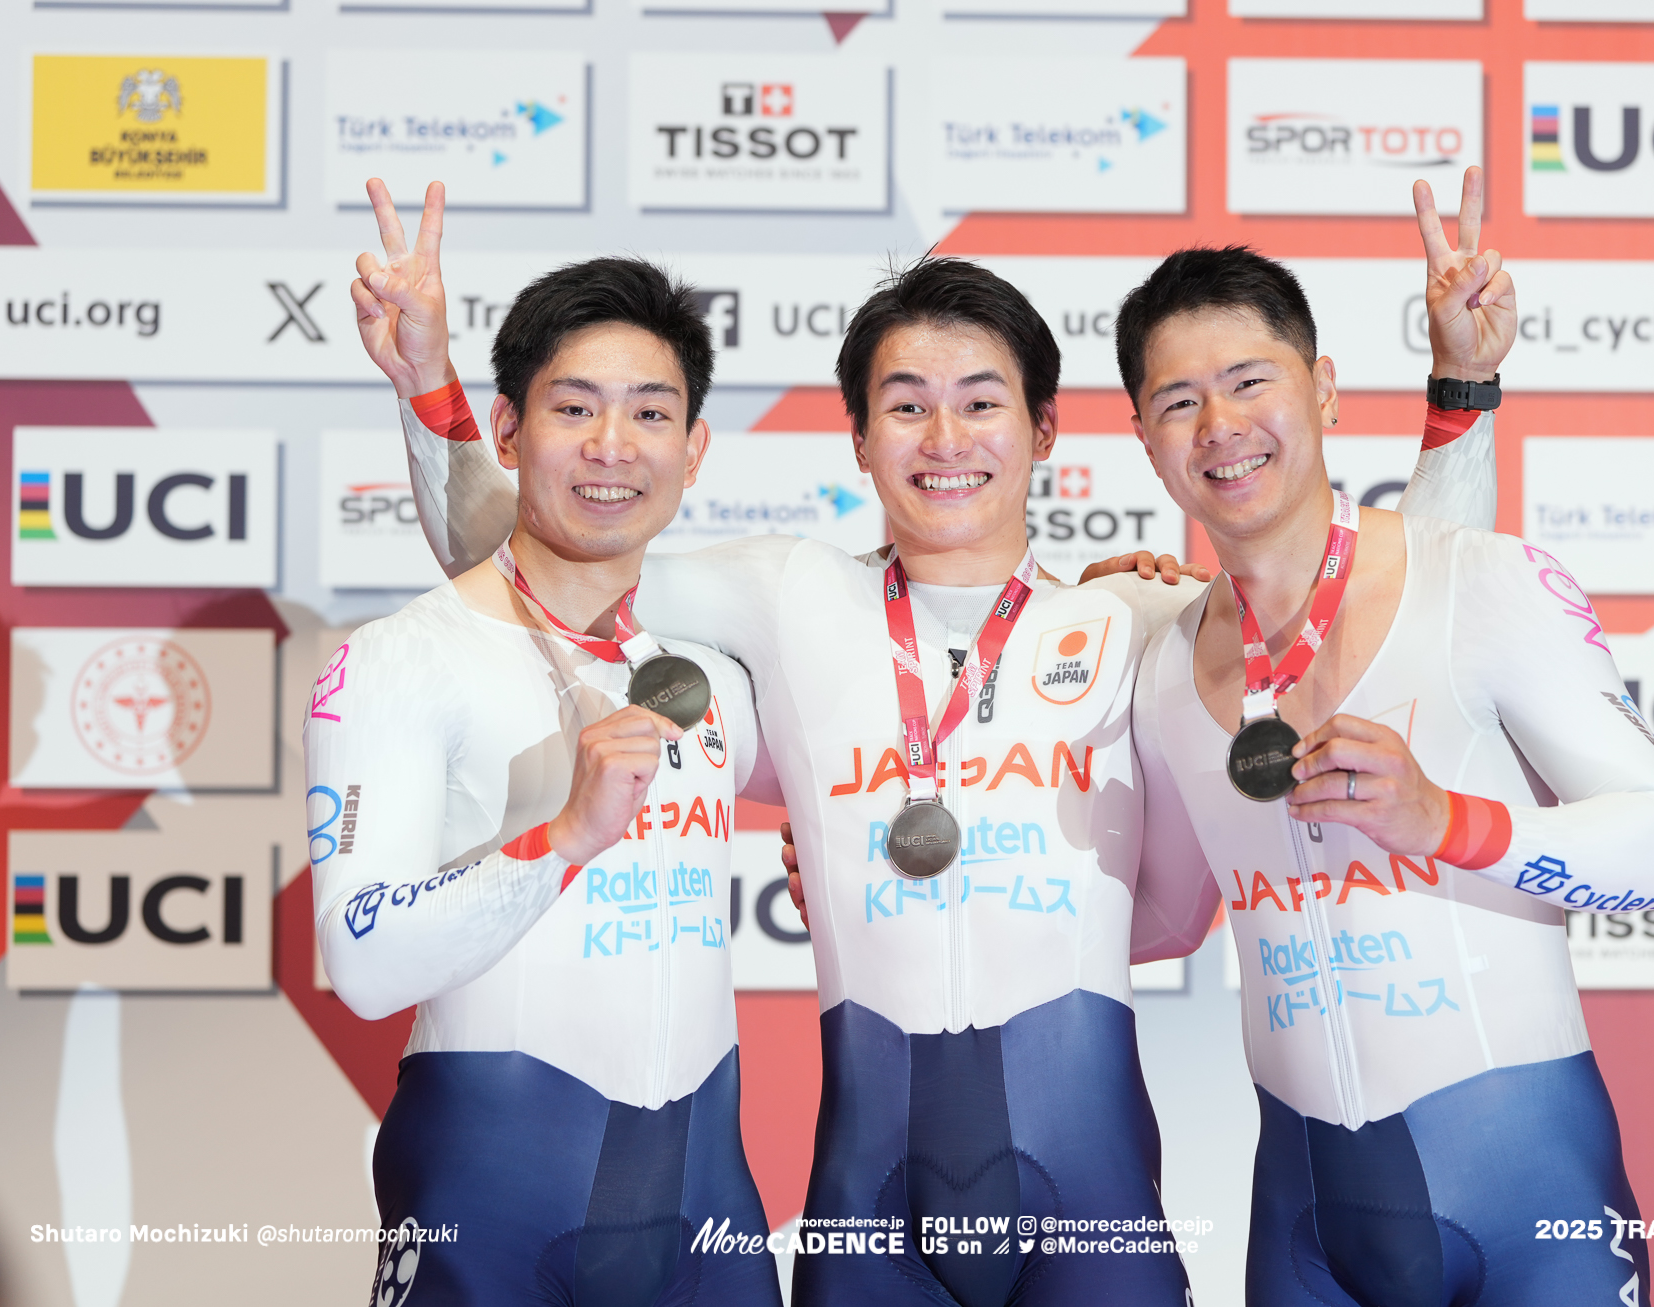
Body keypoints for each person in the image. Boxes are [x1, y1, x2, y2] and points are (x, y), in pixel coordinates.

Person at [351, 171, 1501, 1307]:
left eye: (982, 402)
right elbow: (550, 542)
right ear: (857, 438)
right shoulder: (784, 597)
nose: (944, 437)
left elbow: (1396, 610)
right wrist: (428, 390)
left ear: (1045, 428)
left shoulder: (1142, 621)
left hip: (1094, 1216)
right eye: (904, 405)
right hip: (867, 1222)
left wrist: (1463, 391)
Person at [1121, 185, 1654, 1306]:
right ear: (1146, 443)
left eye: (1249, 382)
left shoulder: (1482, 581)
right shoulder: (1158, 661)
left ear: (1324, 388)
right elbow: (1166, 915)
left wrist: (1447, 820)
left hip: (1530, 1196)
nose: (1220, 427)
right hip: (1305, 1224)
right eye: (1177, 402)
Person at [313, 235, 781, 1307]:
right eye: (574, 409)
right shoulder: (400, 657)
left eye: (650, 414)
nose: (613, 445)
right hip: (488, 1198)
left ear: (695, 446)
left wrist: (1126, 597)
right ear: (512, 431)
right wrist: (563, 833)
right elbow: (365, 959)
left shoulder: (711, 673)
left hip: (705, 1213)